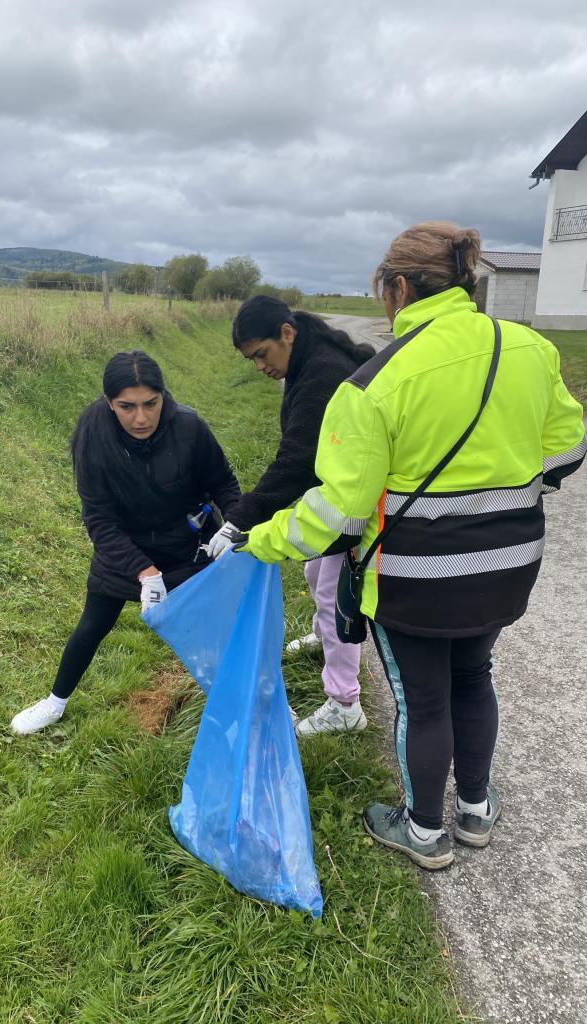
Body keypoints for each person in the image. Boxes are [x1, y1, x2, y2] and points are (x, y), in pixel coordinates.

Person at [239, 222, 585, 869]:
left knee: (423, 701)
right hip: (508, 564)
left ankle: (425, 831)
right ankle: (475, 810)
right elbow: (568, 450)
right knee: (474, 675)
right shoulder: (530, 349)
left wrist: (262, 539)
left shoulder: (373, 385)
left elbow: (338, 513)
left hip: (414, 579)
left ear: (398, 288)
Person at [11, 350, 241, 735]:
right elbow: (99, 521)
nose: (141, 418)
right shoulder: (93, 438)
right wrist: (144, 571)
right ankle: (54, 703)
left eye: (151, 403)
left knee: (212, 633)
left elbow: (224, 485)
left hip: (188, 548)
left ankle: (243, 704)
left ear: (163, 396)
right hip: (123, 551)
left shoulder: (190, 428)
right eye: (127, 407)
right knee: (92, 626)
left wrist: (235, 522)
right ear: (109, 402)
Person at [207, 295, 374, 736]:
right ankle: (323, 637)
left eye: (262, 354)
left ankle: (345, 703)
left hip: (349, 503)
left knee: (336, 598)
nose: (260, 366)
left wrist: (240, 518)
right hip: (335, 492)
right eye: (252, 360)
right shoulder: (307, 357)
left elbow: (296, 459)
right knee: (317, 574)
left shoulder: (323, 373)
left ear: (287, 333)